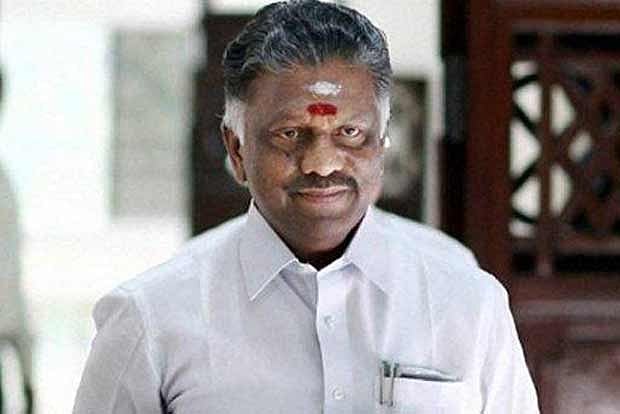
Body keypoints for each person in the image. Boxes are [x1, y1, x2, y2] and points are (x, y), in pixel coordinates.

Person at [73, 1, 539, 412]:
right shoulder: (150, 317)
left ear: (382, 143)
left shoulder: (468, 303)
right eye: (290, 134)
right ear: (237, 150)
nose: (321, 163)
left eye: (350, 133)